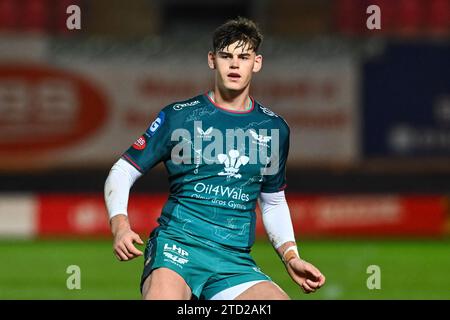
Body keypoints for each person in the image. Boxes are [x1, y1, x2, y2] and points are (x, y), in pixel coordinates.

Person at [104, 16, 325, 300]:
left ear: (256, 63)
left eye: (243, 57)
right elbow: (123, 171)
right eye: (226, 56)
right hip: (177, 249)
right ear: (212, 60)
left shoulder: (274, 129)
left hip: (232, 262)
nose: (234, 64)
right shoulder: (178, 116)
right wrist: (120, 227)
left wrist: (291, 256)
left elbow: (272, 201)